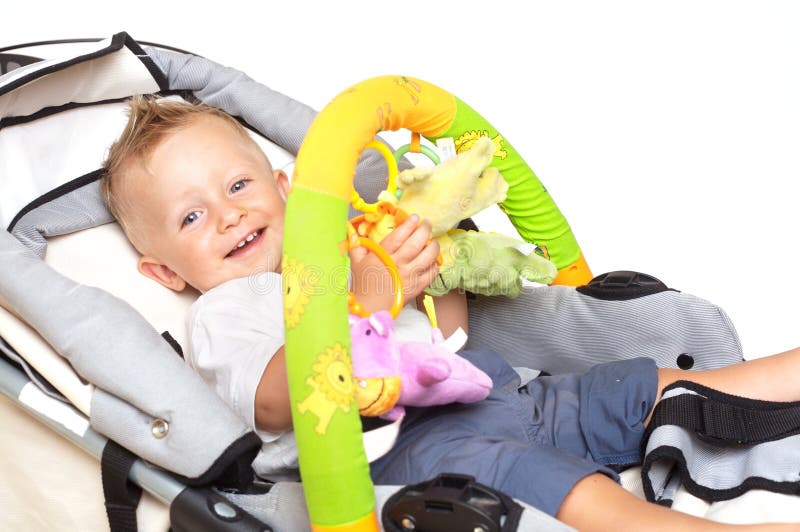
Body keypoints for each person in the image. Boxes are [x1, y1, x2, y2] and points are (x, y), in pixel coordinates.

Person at [101, 95, 799, 531]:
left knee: (634, 387)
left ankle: (782, 377)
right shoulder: (226, 313)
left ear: (285, 189)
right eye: (192, 216)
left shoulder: (349, 248)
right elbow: (283, 398)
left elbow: (448, 337)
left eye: (238, 184)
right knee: (549, 482)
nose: (230, 215)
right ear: (165, 271)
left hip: (499, 391)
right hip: (406, 453)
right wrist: (372, 297)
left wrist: (430, 267)